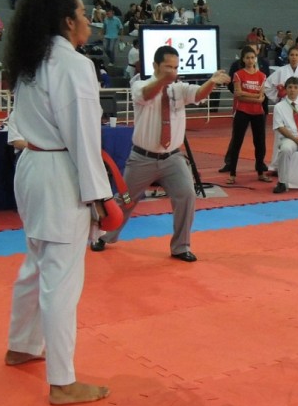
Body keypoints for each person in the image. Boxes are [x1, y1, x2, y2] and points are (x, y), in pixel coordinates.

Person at [3, 0, 114, 405]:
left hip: (32, 168)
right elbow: (83, 136)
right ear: (68, 22)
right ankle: (63, 382)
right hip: (59, 174)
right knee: (61, 281)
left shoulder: (31, 60)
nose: (89, 20)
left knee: (36, 264)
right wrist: (99, 196)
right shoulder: (73, 64)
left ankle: (21, 345)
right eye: (84, 14)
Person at [90, 46, 231, 260]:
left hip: (173, 158)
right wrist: (163, 81)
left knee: (187, 195)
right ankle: (105, 235)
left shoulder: (179, 89)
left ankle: (181, 247)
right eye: (168, 67)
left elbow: (198, 94)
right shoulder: (140, 85)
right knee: (125, 200)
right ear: (155, 66)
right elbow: (147, 94)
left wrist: (211, 81)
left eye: (175, 67)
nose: (172, 71)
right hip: (141, 159)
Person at [226, 46, 269, 184]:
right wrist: (255, 96)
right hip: (242, 112)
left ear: (255, 59)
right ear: (243, 59)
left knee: (260, 143)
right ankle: (232, 173)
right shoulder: (238, 74)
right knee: (237, 142)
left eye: (252, 57)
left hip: (258, 113)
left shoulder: (262, 76)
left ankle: (260, 172)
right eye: (247, 58)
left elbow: (261, 98)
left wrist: (247, 94)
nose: (250, 60)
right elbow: (238, 95)